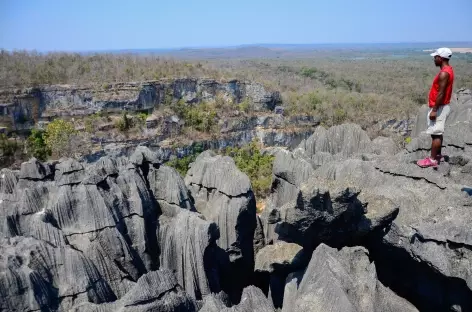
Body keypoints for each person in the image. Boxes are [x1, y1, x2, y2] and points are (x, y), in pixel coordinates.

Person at [417, 47, 454, 168]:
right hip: (441, 106)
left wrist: (434, 110)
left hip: (439, 107)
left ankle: (432, 160)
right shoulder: (448, 70)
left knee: (436, 134)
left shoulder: (444, 73)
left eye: (436, 57)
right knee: (436, 133)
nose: (434, 59)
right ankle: (438, 155)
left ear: (441, 58)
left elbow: (441, 93)